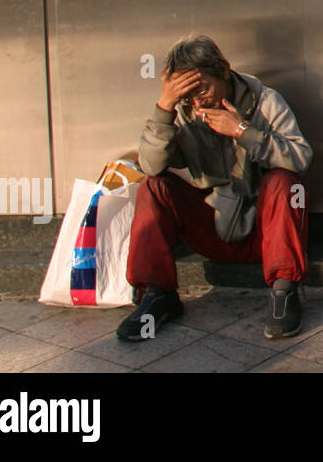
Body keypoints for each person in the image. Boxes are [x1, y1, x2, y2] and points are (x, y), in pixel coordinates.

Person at [118, 35, 313, 342]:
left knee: (285, 182)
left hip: (267, 232)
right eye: (187, 96)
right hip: (211, 226)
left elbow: (301, 158)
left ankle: (284, 292)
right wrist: (165, 107)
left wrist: (243, 132)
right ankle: (156, 295)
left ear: (223, 70)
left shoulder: (265, 100)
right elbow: (152, 166)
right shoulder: (182, 113)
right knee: (155, 187)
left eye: (202, 90)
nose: (198, 102)